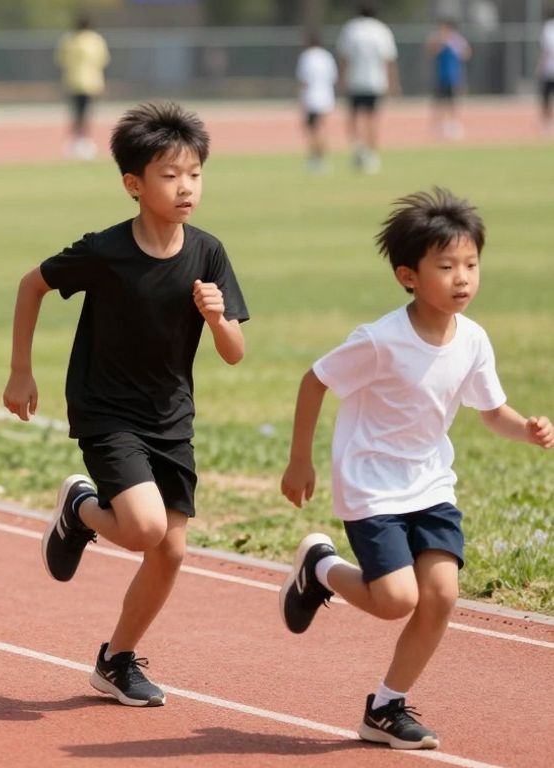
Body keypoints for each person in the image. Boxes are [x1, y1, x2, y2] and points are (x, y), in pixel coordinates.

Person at [279, 188, 552, 750]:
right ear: (408, 274)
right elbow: (316, 380)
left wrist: (524, 426)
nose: (463, 278)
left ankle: (385, 706)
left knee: (442, 596)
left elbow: (491, 410)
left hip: (430, 483)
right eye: (446, 266)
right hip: (372, 486)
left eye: (471, 264)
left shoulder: (473, 339)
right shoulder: (380, 341)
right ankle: (321, 568)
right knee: (396, 600)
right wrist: (300, 458)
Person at [3, 103, 248, 706]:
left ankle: (116, 660)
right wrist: (19, 371)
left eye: (194, 173)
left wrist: (218, 320)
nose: (185, 186)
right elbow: (31, 284)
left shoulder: (209, 253)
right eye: (169, 174)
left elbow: (235, 352)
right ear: (134, 184)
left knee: (171, 551)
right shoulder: (106, 251)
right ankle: (84, 507)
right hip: (106, 409)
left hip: (172, 415)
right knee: (143, 529)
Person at [337, 3, 398, 173]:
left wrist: (341, 80)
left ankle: (358, 150)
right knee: (372, 119)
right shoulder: (382, 30)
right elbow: (389, 60)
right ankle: (371, 155)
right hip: (375, 82)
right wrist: (393, 83)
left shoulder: (350, 29)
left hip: (354, 81)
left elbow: (345, 58)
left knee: (353, 118)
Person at [55, 13, 110, 160]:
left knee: (76, 113)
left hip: (72, 81)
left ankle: (75, 141)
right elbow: (103, 60)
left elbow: (61, 60)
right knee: (85, 113)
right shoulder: (95, 40)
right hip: (91, 82)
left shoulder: (69, 40)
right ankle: (83, 141)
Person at [296, 31, 338, 173]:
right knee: (322, 128)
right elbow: (333, 77)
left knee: (313, 130)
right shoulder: (327, 57)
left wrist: (300, 98)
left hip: (311, 98)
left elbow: (304, 80)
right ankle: (320, 158)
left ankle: (316, 159)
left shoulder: (307, 56)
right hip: (326, 97)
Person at [426, 18, 470, 139]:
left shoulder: (456, 40)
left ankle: (453, 127)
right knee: (439, 103)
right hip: (441, 76)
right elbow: (431, 51)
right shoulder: (439, 40)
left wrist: (453, 44)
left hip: (453, 77)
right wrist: (440, 42)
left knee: (453, 103)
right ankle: (438, 127)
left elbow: (466, 53)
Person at [540, 10, 554, 134]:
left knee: (546, 97)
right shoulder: (548, 27)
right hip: (550, 70)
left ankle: (547, 125)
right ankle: (547, 123)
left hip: (549, 69)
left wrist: (541, 66)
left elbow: (547, 50)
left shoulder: (548, 28)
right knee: (546, 97)